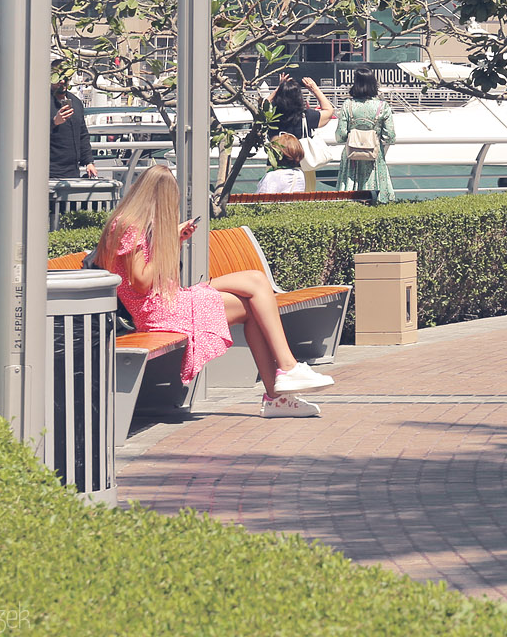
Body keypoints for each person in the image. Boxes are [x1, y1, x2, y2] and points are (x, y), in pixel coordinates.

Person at [96, 166, 334, 417]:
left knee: (255, 285)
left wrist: (173, 240)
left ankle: (281, 387)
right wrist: (169, 240)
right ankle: (284, 377)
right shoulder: (129, 227)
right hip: (157, 312)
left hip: (166, 302)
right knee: (254, 294)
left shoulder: (129, 223)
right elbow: (141, 283)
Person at [334, 68, 398, 203]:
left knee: (348, 197)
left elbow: (340, 135)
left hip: (352, 154)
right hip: (374, 155)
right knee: (376, 198)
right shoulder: (382, 106)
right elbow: (390, 136)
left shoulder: (348, 105)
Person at [270, 74, 335, 192]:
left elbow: (260, 108)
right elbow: (329, 110)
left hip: (275, 167)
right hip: (303, 168)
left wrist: (279, 88)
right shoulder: (307, 117)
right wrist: (314, 88)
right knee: (304, 202)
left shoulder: (271, 117)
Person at [50, 67, 98, 180]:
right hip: (49, 170)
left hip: (72, 171)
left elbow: (82, 134)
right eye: (58, 77)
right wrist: (54, 122)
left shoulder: (76, 102)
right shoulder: (41, 101)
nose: (62, 81)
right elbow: (33, 134)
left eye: (65, 77)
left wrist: (89, 162)